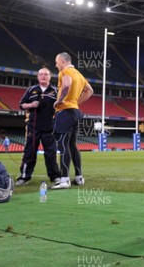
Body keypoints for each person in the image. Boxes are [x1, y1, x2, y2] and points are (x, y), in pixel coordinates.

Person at [51, 52, 93, 189]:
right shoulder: (79, 74)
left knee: (63, 145)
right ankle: (79, 177)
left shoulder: (65, 72)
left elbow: (67, 84)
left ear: (63, 61)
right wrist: (76, 102)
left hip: (64, 112)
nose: (56, 64)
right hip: (75, 111)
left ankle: (64, 180)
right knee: (72, 145)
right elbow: (90, 91)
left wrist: (59, 100)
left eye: (57, 62)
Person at [15, 67, 61, 186]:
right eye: (41, 74)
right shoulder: (31, 90)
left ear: (50, 77)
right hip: (33, 127)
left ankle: (55, 176)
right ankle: (24, 176)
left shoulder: (55, 91)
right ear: (38, 76)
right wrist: (31, 104)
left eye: (46, 74)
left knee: (51, 153)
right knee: (29, 152)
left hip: (49, 128)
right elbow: (21, 105)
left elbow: (61, 107)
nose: (43, 76)